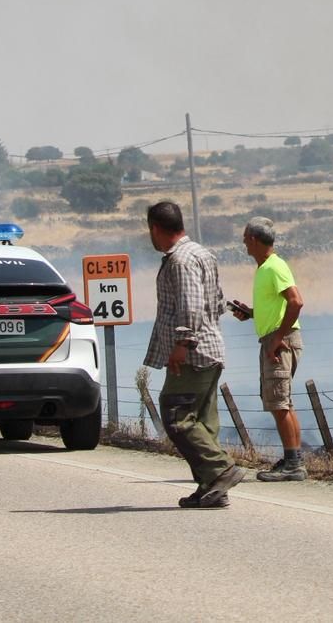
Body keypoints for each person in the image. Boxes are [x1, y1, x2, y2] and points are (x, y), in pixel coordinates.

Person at [143, 201, 247, 508]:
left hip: (193, 354)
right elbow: (216, 303)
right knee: (202, 421)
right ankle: (212, 488)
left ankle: (221, 470)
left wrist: (182, 344)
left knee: (176, 416)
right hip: (210, 349)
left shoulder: (181, 261)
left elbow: (190, 306)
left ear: (155, 229)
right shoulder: (202, 253)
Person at [229, 217, 306, 482]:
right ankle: (293, 459)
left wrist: (277, 338)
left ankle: (293, 466)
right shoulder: (265, 268)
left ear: (254, 239)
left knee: (278, 403)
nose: (243, 243)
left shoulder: (274, 267)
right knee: (283, 403)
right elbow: (279, 306)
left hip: (279, 341)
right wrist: (251, 313)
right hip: (276, 338)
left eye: (245, 238)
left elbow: (296, 302)